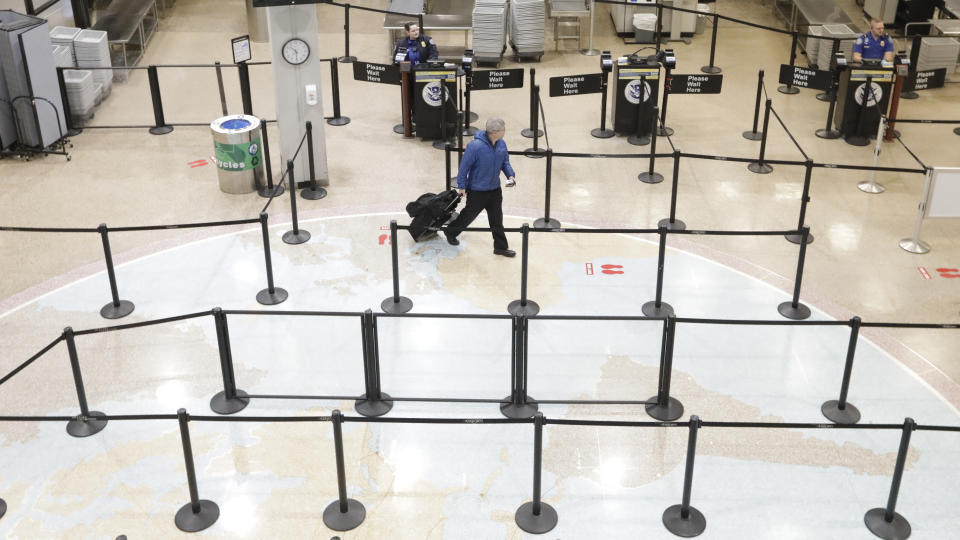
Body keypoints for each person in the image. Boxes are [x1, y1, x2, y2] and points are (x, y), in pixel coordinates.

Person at [444, 118, 517, 257]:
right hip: (477, 191)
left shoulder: (501, 144)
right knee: (468, 216)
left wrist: (510, 176)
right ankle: (451, 231)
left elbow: (505, 162)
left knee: (497, 220)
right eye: (503, 130)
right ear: (495, 132)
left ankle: (500, 247)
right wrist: (462, 186)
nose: (505, 132)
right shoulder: (475, 146)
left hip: (495, 190)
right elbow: (464, 167)